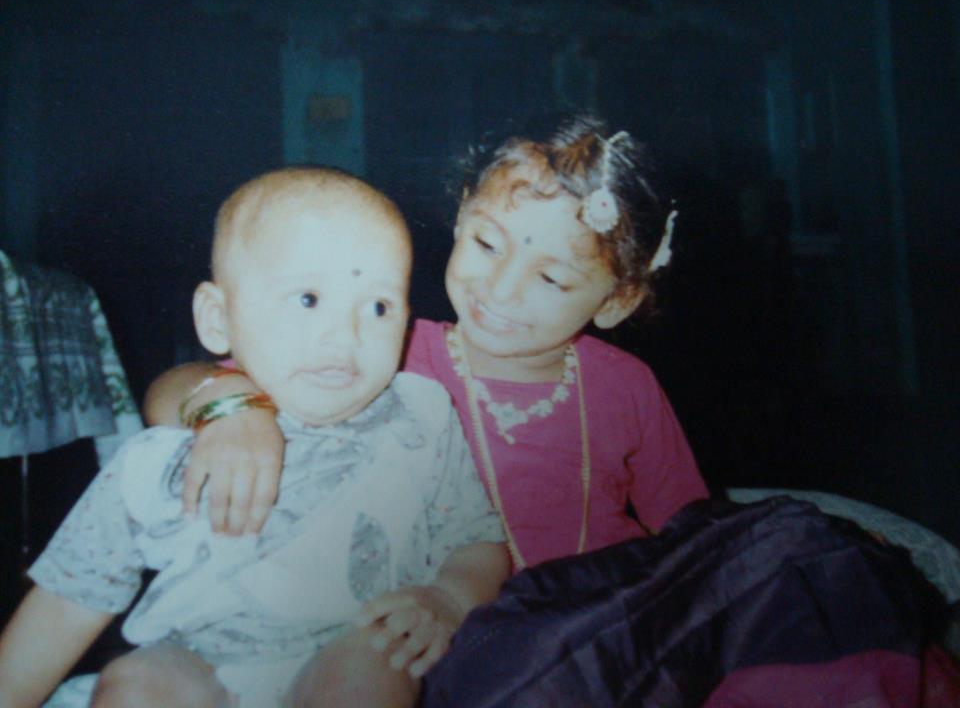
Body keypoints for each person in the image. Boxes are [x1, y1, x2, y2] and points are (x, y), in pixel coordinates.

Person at [142, 118, 946, 706]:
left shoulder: (626, 385)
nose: (500, 289)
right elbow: (173, 388)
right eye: (487, 244)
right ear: (461, 215)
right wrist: (229, 407)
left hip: (625, 632)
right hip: (476, 651)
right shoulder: (386, 353)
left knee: (799, 549)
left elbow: (691, 534)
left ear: (617, 300)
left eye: (553, 279)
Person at [0, 167, 509, 708]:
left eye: (379, 307)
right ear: (217, 319)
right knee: (136, 683)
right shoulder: (162, 456)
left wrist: (449, 598)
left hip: (355, 646)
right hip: (196, 662)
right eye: (308, 299)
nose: (346, 334)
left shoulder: (423, 418)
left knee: (369, 675)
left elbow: (478, 539)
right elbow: (66, 603)